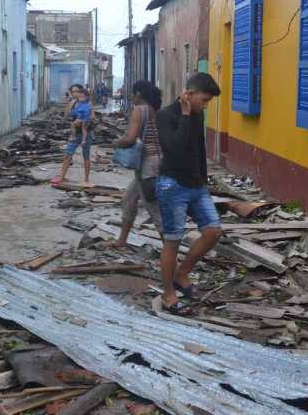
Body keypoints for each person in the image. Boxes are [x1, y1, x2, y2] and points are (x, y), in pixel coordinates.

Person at [155, 73, 223, 315]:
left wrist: (203, 179)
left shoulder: (198, 114)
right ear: (189, 94)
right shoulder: (165, 115)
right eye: (204, 100)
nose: (205, 106)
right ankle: (168, 294)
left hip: (196, 185)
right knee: (172, 240)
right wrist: (184, 116)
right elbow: (174, 149)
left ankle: (181, 274)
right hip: (172, 185)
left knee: (213, 231)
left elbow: (198, 149)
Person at [107, 81, 164, 248]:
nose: (131, 97)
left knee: (154, 209)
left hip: (148, 166)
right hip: (155, 161)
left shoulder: (139, 110)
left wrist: (116, 143)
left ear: (138, 94)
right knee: (129, 200)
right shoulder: (154, 110)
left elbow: (130, 139)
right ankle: (122, 240)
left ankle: (170, 253)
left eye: (132, 94)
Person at [52, 86, 94, 185]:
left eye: (76, 91)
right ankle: (62, 177)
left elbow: (93, 116)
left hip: (85, 132)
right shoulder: (74, 103)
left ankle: (86, 179)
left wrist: (84, 121)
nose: (74, 93)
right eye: (72, 91)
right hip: (75, 133)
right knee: (68, 154)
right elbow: (67, 115)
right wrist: (69, 104)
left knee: (86, 156)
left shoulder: (88, 104)